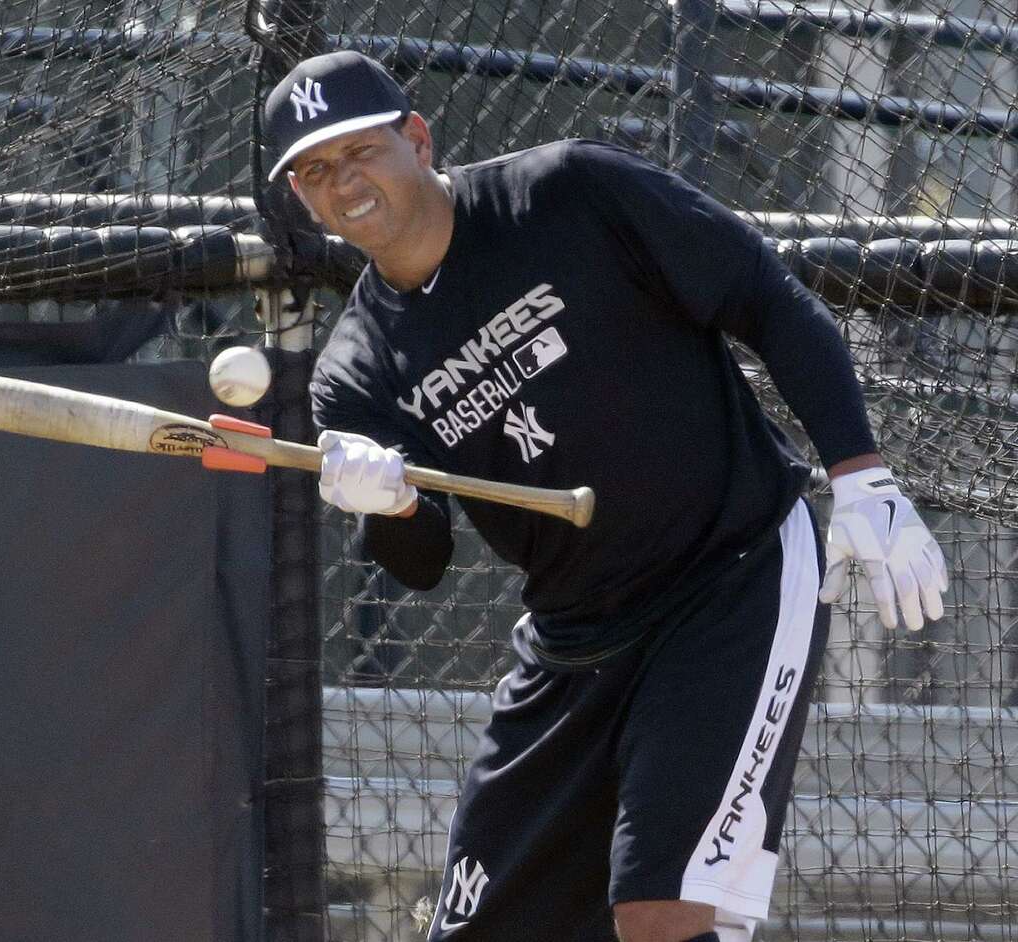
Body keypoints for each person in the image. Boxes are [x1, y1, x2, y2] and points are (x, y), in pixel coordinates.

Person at [261, 50, 948, 942]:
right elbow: (423, 561)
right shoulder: (353, 373)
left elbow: (764, 295)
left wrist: (862, 475)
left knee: (661, 914)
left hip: (728, 581)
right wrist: (384, 507)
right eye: (315, 171)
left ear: (417, 138)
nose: (342, 182)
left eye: (358, 151)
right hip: (573, 643)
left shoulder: (566, 192)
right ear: (303, 200)